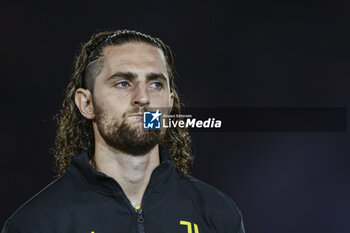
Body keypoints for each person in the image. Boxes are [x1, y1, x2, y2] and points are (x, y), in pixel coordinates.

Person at [2, 30, 245, 233]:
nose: (143, 98)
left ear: (170, 104)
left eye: (155, 84)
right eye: (123, 83)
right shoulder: (36, 224)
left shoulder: (218, 214)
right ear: (86, 104)